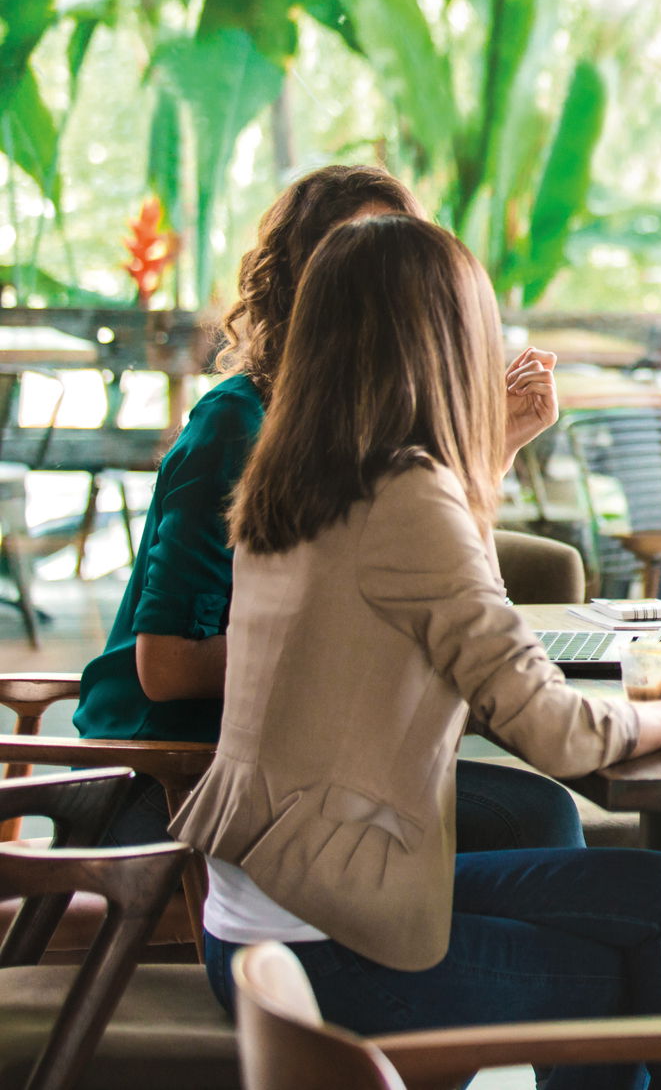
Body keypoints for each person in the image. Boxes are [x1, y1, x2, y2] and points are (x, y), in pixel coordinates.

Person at [172, 214, 661, 1089]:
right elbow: (553, 731)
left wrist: (490, 456)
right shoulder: (404, 494)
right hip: (329, 941)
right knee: (637, 974)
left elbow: (433, 612)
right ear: (441, 343)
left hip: (265, 908)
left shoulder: (294, 473)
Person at [74, 164, 582, 856]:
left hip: (320, 767)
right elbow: (164, 668)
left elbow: (469, 608)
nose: (372, 280)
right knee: (537, 824)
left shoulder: (382, 430)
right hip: (176, 775)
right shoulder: (237, 425)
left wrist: (490, 457)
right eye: (349, 254)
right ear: (297, 283)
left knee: (540, 820)